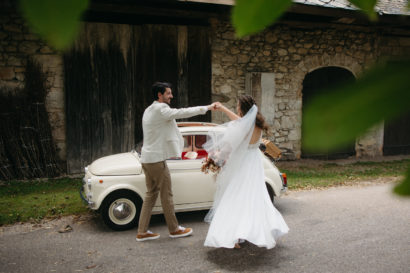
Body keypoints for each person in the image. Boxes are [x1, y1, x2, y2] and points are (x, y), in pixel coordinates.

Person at [203, 95, 289, 249]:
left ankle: (233, 236)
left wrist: (216, 160)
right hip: (254, 164)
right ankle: (250, 231)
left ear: (242, 109)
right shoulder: (257, 125)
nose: (236, 109)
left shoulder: (244, 127)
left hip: (243, 165)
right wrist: (222, 108)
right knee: (254, 198)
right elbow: (238, 120)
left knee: (235, 197)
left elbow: (231, 142)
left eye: (238, 106)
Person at [136, 82, 216, 242]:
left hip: (147, 159)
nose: (171, 96)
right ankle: (174, 229)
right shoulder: (161, 109)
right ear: (159, 95)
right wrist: (207, 108)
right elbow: (182, 112)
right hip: (156, 160)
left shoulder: (149, 109)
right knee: (167, 195)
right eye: (168, 93)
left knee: (151, 194)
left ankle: (142, 231)